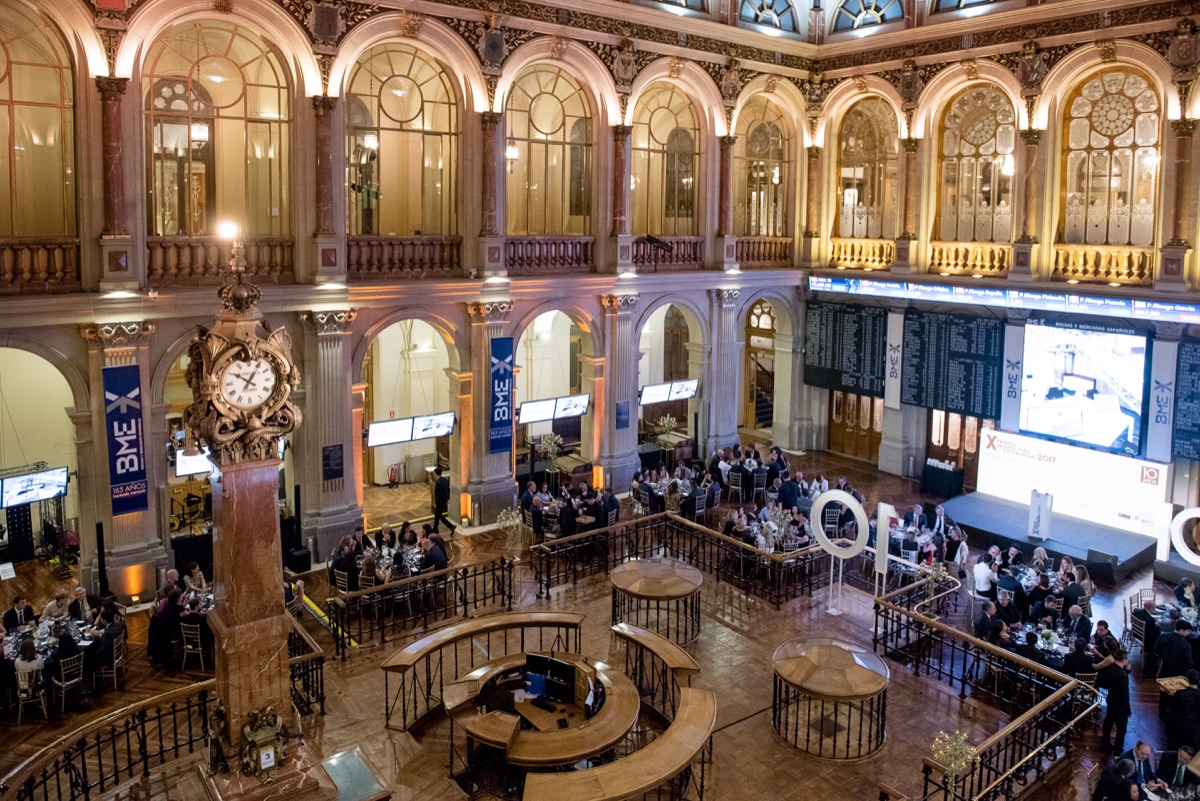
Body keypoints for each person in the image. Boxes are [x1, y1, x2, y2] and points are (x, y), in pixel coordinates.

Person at [1100, 650, 1133, 755]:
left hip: (1111, 701)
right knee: (1121, 729)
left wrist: (1127, 671)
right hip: (1120, 706)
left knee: (1108, 722)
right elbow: (1125, 695)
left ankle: (1105, 742)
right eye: (1127, 659)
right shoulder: (1122, 676)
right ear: (1124, 660)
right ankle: (1118, 750)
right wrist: (1128, 710)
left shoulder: (1111, 667)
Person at [1133, 599, 1161, 664]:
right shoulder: (1150, 619)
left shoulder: (1135, 611)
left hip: (1136, 633)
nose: (1155, 610)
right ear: (1151, 608)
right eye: (1154, 608)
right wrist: (1158, 626)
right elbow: (1151, 634)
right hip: (1145, 638)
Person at [431, 467, 456, 535]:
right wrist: (447, 498)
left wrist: (437, 502)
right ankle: (435, 529)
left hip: (440, 502)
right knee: (437, 515)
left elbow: (438, 494)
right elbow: (448, 490)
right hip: (444, 501)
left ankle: (451, 526)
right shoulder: (445, 480)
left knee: (439, 516)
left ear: (436, 474)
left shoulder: (438, 483)